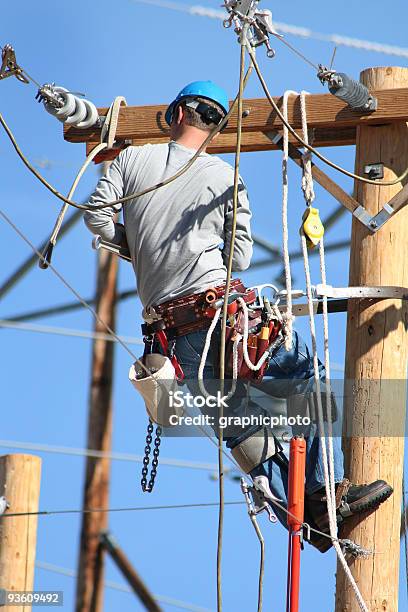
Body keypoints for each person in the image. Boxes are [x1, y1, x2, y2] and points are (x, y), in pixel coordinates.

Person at [83, 80, 392, 551]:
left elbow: (98, 219)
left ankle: (299, 513)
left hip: (171, 338)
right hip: (222, 318)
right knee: (303, 376)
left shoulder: (130, 159)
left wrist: (145, 251)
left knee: (239, 424)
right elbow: (240, 257)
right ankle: (327, 495)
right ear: (215, 125)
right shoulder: (224, 176)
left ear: (177, 114)